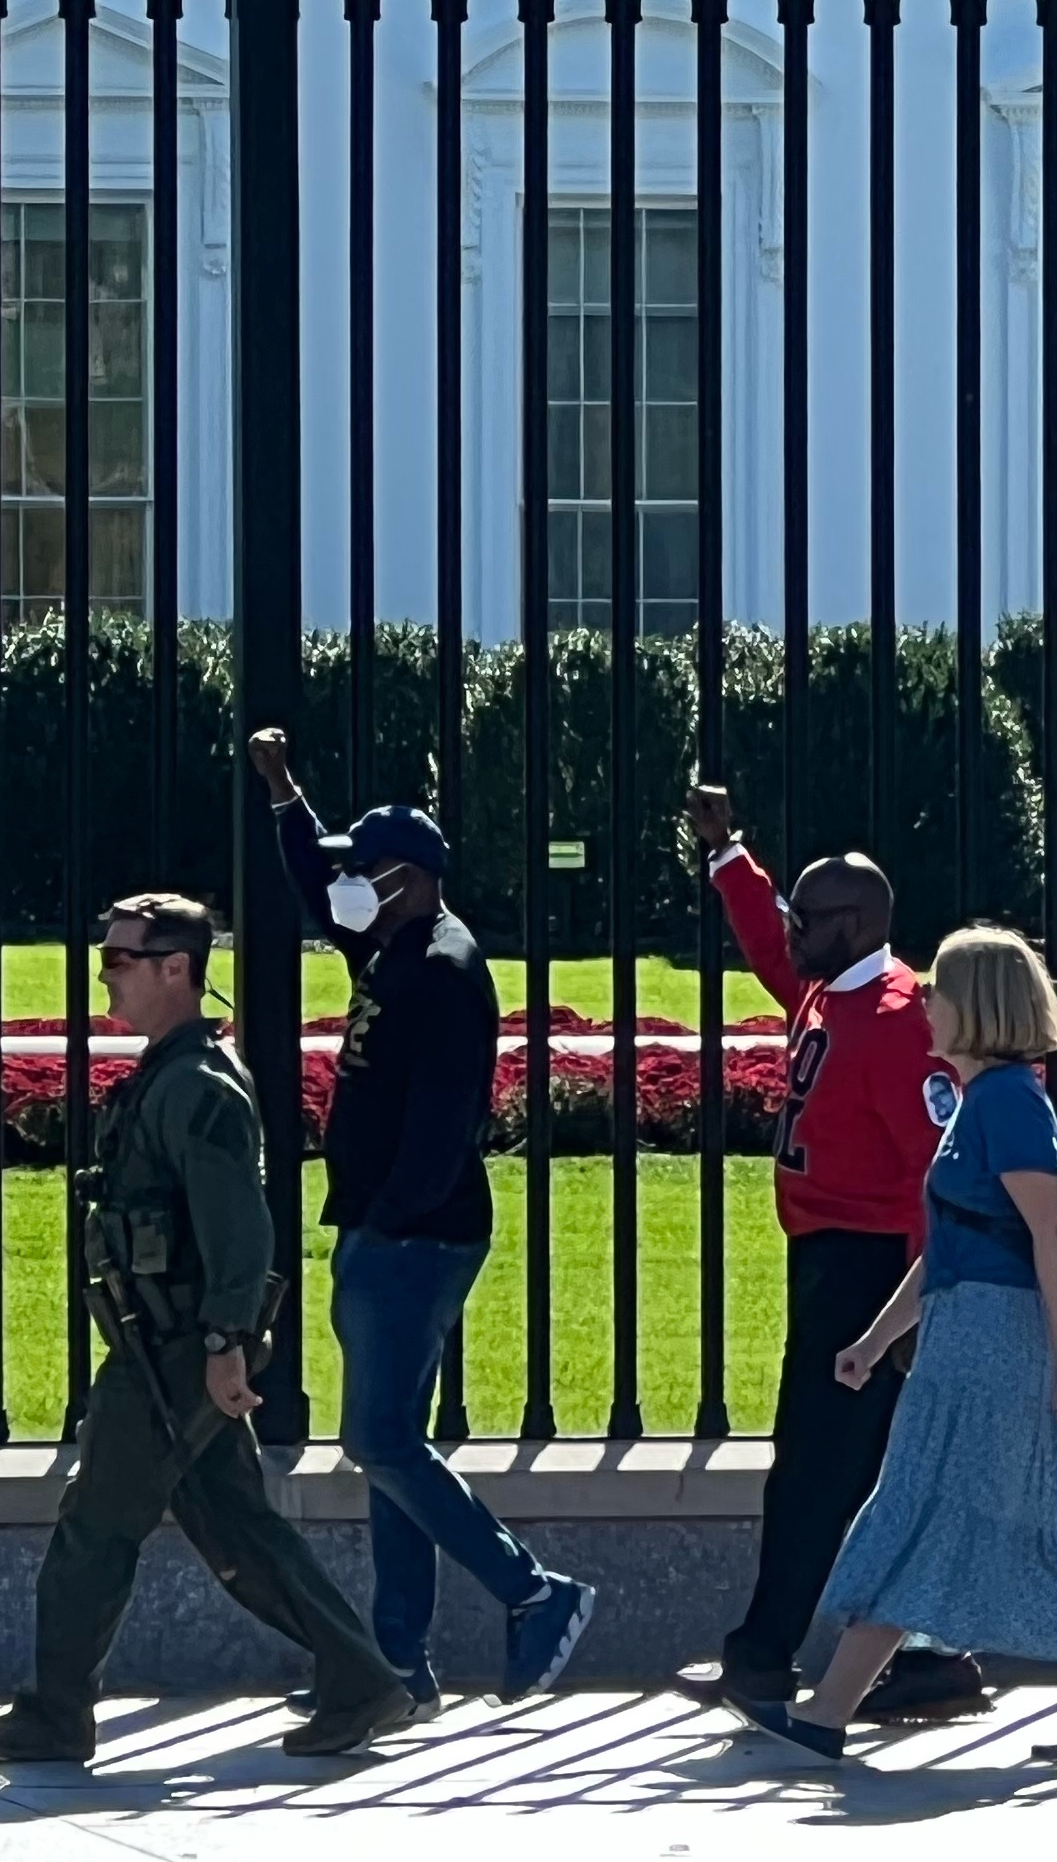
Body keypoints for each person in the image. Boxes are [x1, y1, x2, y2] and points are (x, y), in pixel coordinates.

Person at [0, 897, 411, 1765]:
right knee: (236, 1525)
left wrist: (222, 1344)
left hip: (175, 1349)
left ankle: (57, 1712)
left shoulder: (198, 1086)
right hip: (166, 1339)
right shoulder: (173, 1071)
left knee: (97, 1521)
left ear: (177, 968)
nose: (106, 974)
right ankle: (361, 1680)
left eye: (123, 959)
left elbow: (240, 1227)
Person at [728, 927, 1057, 1766]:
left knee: (934, 1509)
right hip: (969, 1334)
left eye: (940, 990)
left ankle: (828, 1714)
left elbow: (1048, 1240)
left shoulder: (1008, 1105)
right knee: (957, 1512)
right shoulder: (984, 1102)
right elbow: (949, 1250)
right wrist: (873, 1340)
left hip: (995, 1344)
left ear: (979, 1006)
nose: (925, 1002)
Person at [251, 728, 594, 1709]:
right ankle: (399, 1657)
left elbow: (447, 1122)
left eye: (368, 869)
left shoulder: (442, 967)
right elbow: (316, 891)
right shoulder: (394, 934)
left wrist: (384, 1224)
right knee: (392, 1440)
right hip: (394, 1230)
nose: (350, 883)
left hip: (415, 1236)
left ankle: (535, 1594)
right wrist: (286, 793)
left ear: (414, 878)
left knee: (381, 1441)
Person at [671, 786, 989, 1724]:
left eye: (807, 916)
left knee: (815, 1466)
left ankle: (764, 1657)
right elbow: (769, 948)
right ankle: (927, 1656)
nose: (790, 929)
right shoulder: (829, 986)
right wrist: (729, 853)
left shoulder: (897, 1020)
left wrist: (914, 1314)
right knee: (871, 1468)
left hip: (870, 1266)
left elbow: (941, 1175)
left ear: (854, 925)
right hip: (830, 1257)